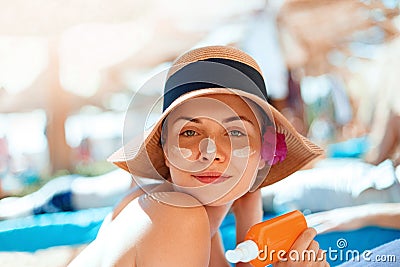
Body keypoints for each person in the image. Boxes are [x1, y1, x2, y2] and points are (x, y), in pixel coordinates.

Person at [69, 46, 326, 267]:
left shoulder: (175, 208)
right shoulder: (178, 217)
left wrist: (249, 239)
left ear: (265, 153)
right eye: (190, 132)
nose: (210, 152)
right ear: (166, 151)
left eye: (235, 132)